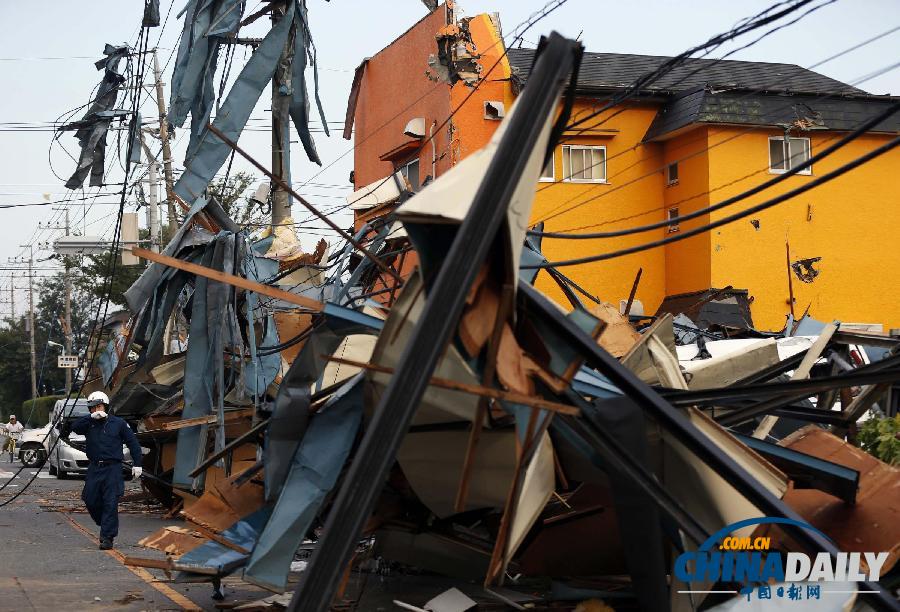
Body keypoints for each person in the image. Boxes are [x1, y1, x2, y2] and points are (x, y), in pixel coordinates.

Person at [70, 391, 143, 550]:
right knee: (90, 499)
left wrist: (138, 463)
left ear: (106, 406)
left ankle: (107, 537)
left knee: (110, 503)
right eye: (92, 408)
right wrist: (90, 417)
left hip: (113, 469)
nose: (96, 410)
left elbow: (133, 443)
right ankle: (105, 523)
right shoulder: (88, 424)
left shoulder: (119, 423)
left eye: (99, 406)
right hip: (95, 467)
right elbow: (74, 427)